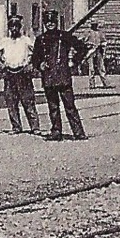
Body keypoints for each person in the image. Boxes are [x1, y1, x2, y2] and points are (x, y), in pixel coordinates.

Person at [32, 9, 88, 141]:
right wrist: (39, 65)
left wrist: (74, 61)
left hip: (63, 76)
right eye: (47, 22)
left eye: (52, 21)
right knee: (53, 107)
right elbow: (35, 58)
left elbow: (82, 48)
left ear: (56, 22)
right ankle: (56, 131)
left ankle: (78, 132)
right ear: (44, 23)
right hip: (49, 77)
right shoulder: (41, 39)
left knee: (70, 106)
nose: (50, 24)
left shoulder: (65, 36)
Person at [0, 14, 41, 134]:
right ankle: (16, 126)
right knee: (11, 102)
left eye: (16, 26)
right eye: (11, 26)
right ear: (9, 27)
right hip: (9, 73)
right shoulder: (4, 41)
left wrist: (30, 64)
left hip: (23, 73)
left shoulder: (26, 40)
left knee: (28, 101)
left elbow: (36, 53)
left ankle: (35, 127)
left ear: (20, 27)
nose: (14, 28)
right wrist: (0, 64)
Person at [88, 23, 109, 88]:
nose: (94, 26)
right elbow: (83, 41)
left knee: (101, 67)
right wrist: (89, 45)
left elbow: (104, 41)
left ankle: (105, 82)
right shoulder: (88, 32)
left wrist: (102, 45)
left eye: (95, 25)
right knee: (91, 68)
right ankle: (92, 84)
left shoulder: (100, 33)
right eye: (93, 25)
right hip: (91, 51)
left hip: (98, 50)